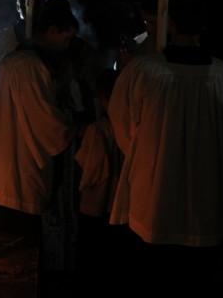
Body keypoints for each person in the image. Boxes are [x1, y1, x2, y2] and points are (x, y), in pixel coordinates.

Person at [108, 0, 223, 297]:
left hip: (155, 187)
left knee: (154, 274)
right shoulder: (221, 73)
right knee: (195, 277)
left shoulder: (145, 69)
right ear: (203, 26)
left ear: (171, 24)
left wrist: (145, 154)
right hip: (204, 189)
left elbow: (123, 118)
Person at [0, 5, 79, 296]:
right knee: (13, 259)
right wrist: (74, 128)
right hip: (14, 170)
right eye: (66, 39)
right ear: (52, 31)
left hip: (3, 164)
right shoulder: (28, 65)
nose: (67, 46)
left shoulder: (20, 60)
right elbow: (42, 120)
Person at [74, 69, 127, 295]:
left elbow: (93, 169)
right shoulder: (130, 127)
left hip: (96, 203)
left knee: (94, 255)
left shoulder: (98, 129)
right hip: (121, 201)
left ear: (101, 96)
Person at [0, 0, 45, 96]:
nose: (31, 10)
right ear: (18, 6)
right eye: (27, 4)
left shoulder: (48, 40)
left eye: (37, 6)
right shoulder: (2, 39)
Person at [116, 0, 158, 72]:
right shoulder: (148, 40)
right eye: (146, 22)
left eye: (154, 23)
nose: (148, 29)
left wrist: (133, 63)